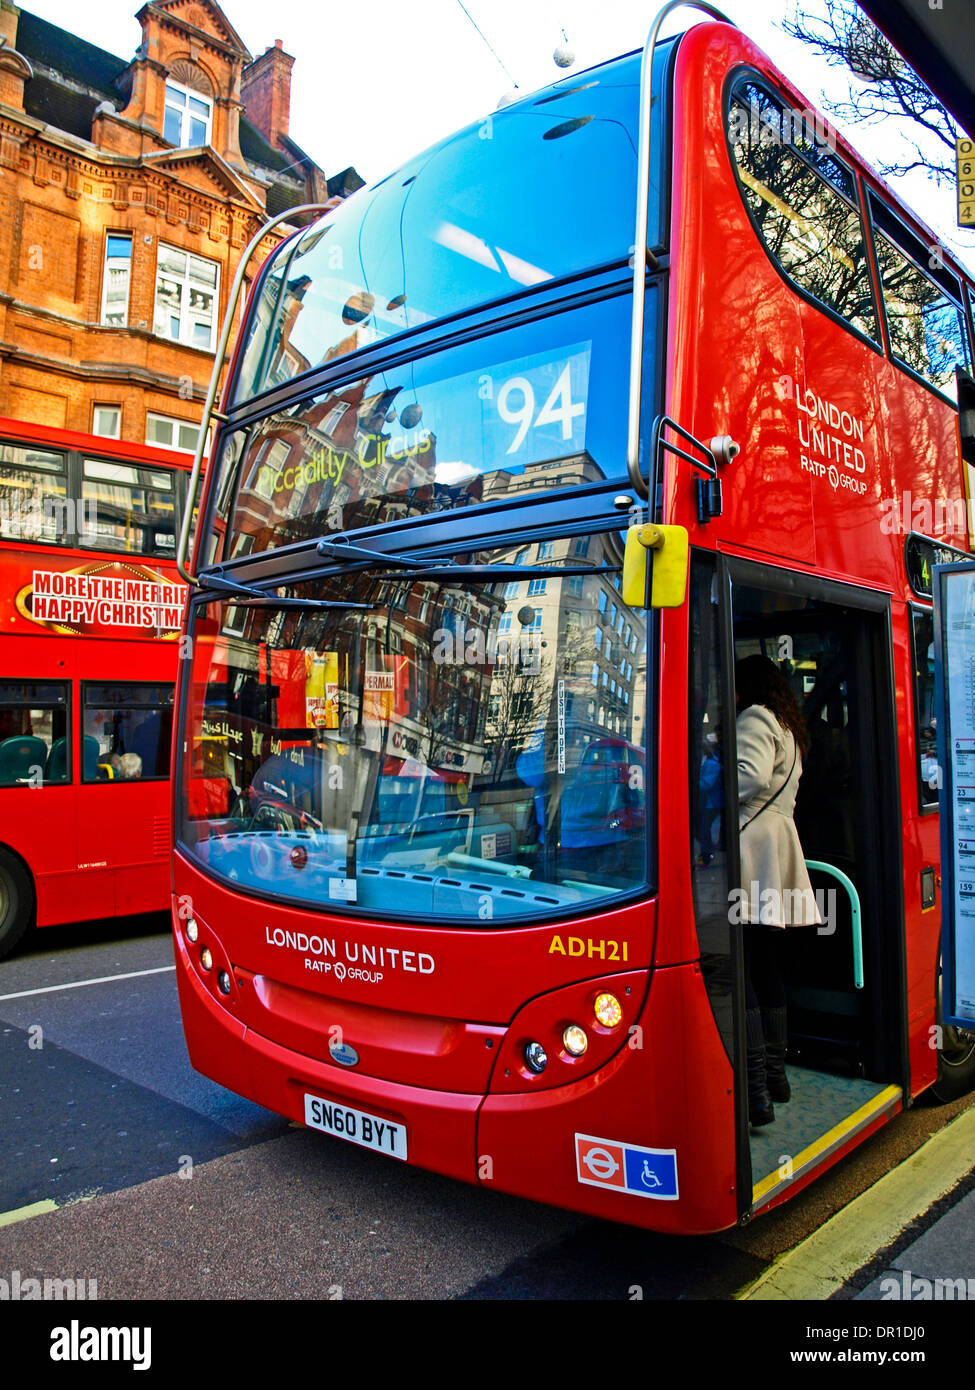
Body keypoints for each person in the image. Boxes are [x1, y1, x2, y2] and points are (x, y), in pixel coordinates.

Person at [736, 654, 819, 1127]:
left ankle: (755, 1091)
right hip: (780, 843)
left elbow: (748, 775)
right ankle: (776, 1076)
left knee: (742, 962)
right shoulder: (786, 723)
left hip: (753, 848)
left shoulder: (754, 717)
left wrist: (711, 784)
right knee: (766, 962)